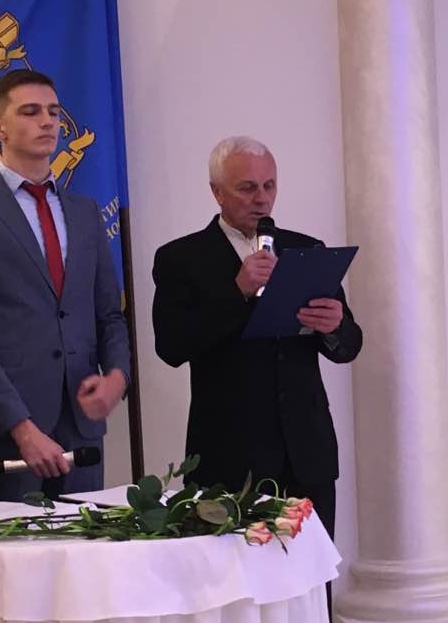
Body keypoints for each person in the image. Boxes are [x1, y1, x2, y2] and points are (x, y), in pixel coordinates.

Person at [152, 136, 362, 540]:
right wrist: (236, 292)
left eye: (269, 186)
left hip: (306, 454)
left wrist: (335, 326)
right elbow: (172, 346)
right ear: (217, 192)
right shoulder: (181, 258)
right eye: (247, 188)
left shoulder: (305, 249)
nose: (261, 199)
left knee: (310, 574)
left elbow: (349, 346)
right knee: (235, 575)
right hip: (229, 458)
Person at [0, 69, 131, 502]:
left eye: (54, 112)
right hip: (9, 426)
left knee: (85, 539)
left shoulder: (83, 211)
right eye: (30, 112)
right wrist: (20, 426)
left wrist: (118, 376)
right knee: (15, 541)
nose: (47, 122)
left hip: (80, 421)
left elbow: (108, 313)